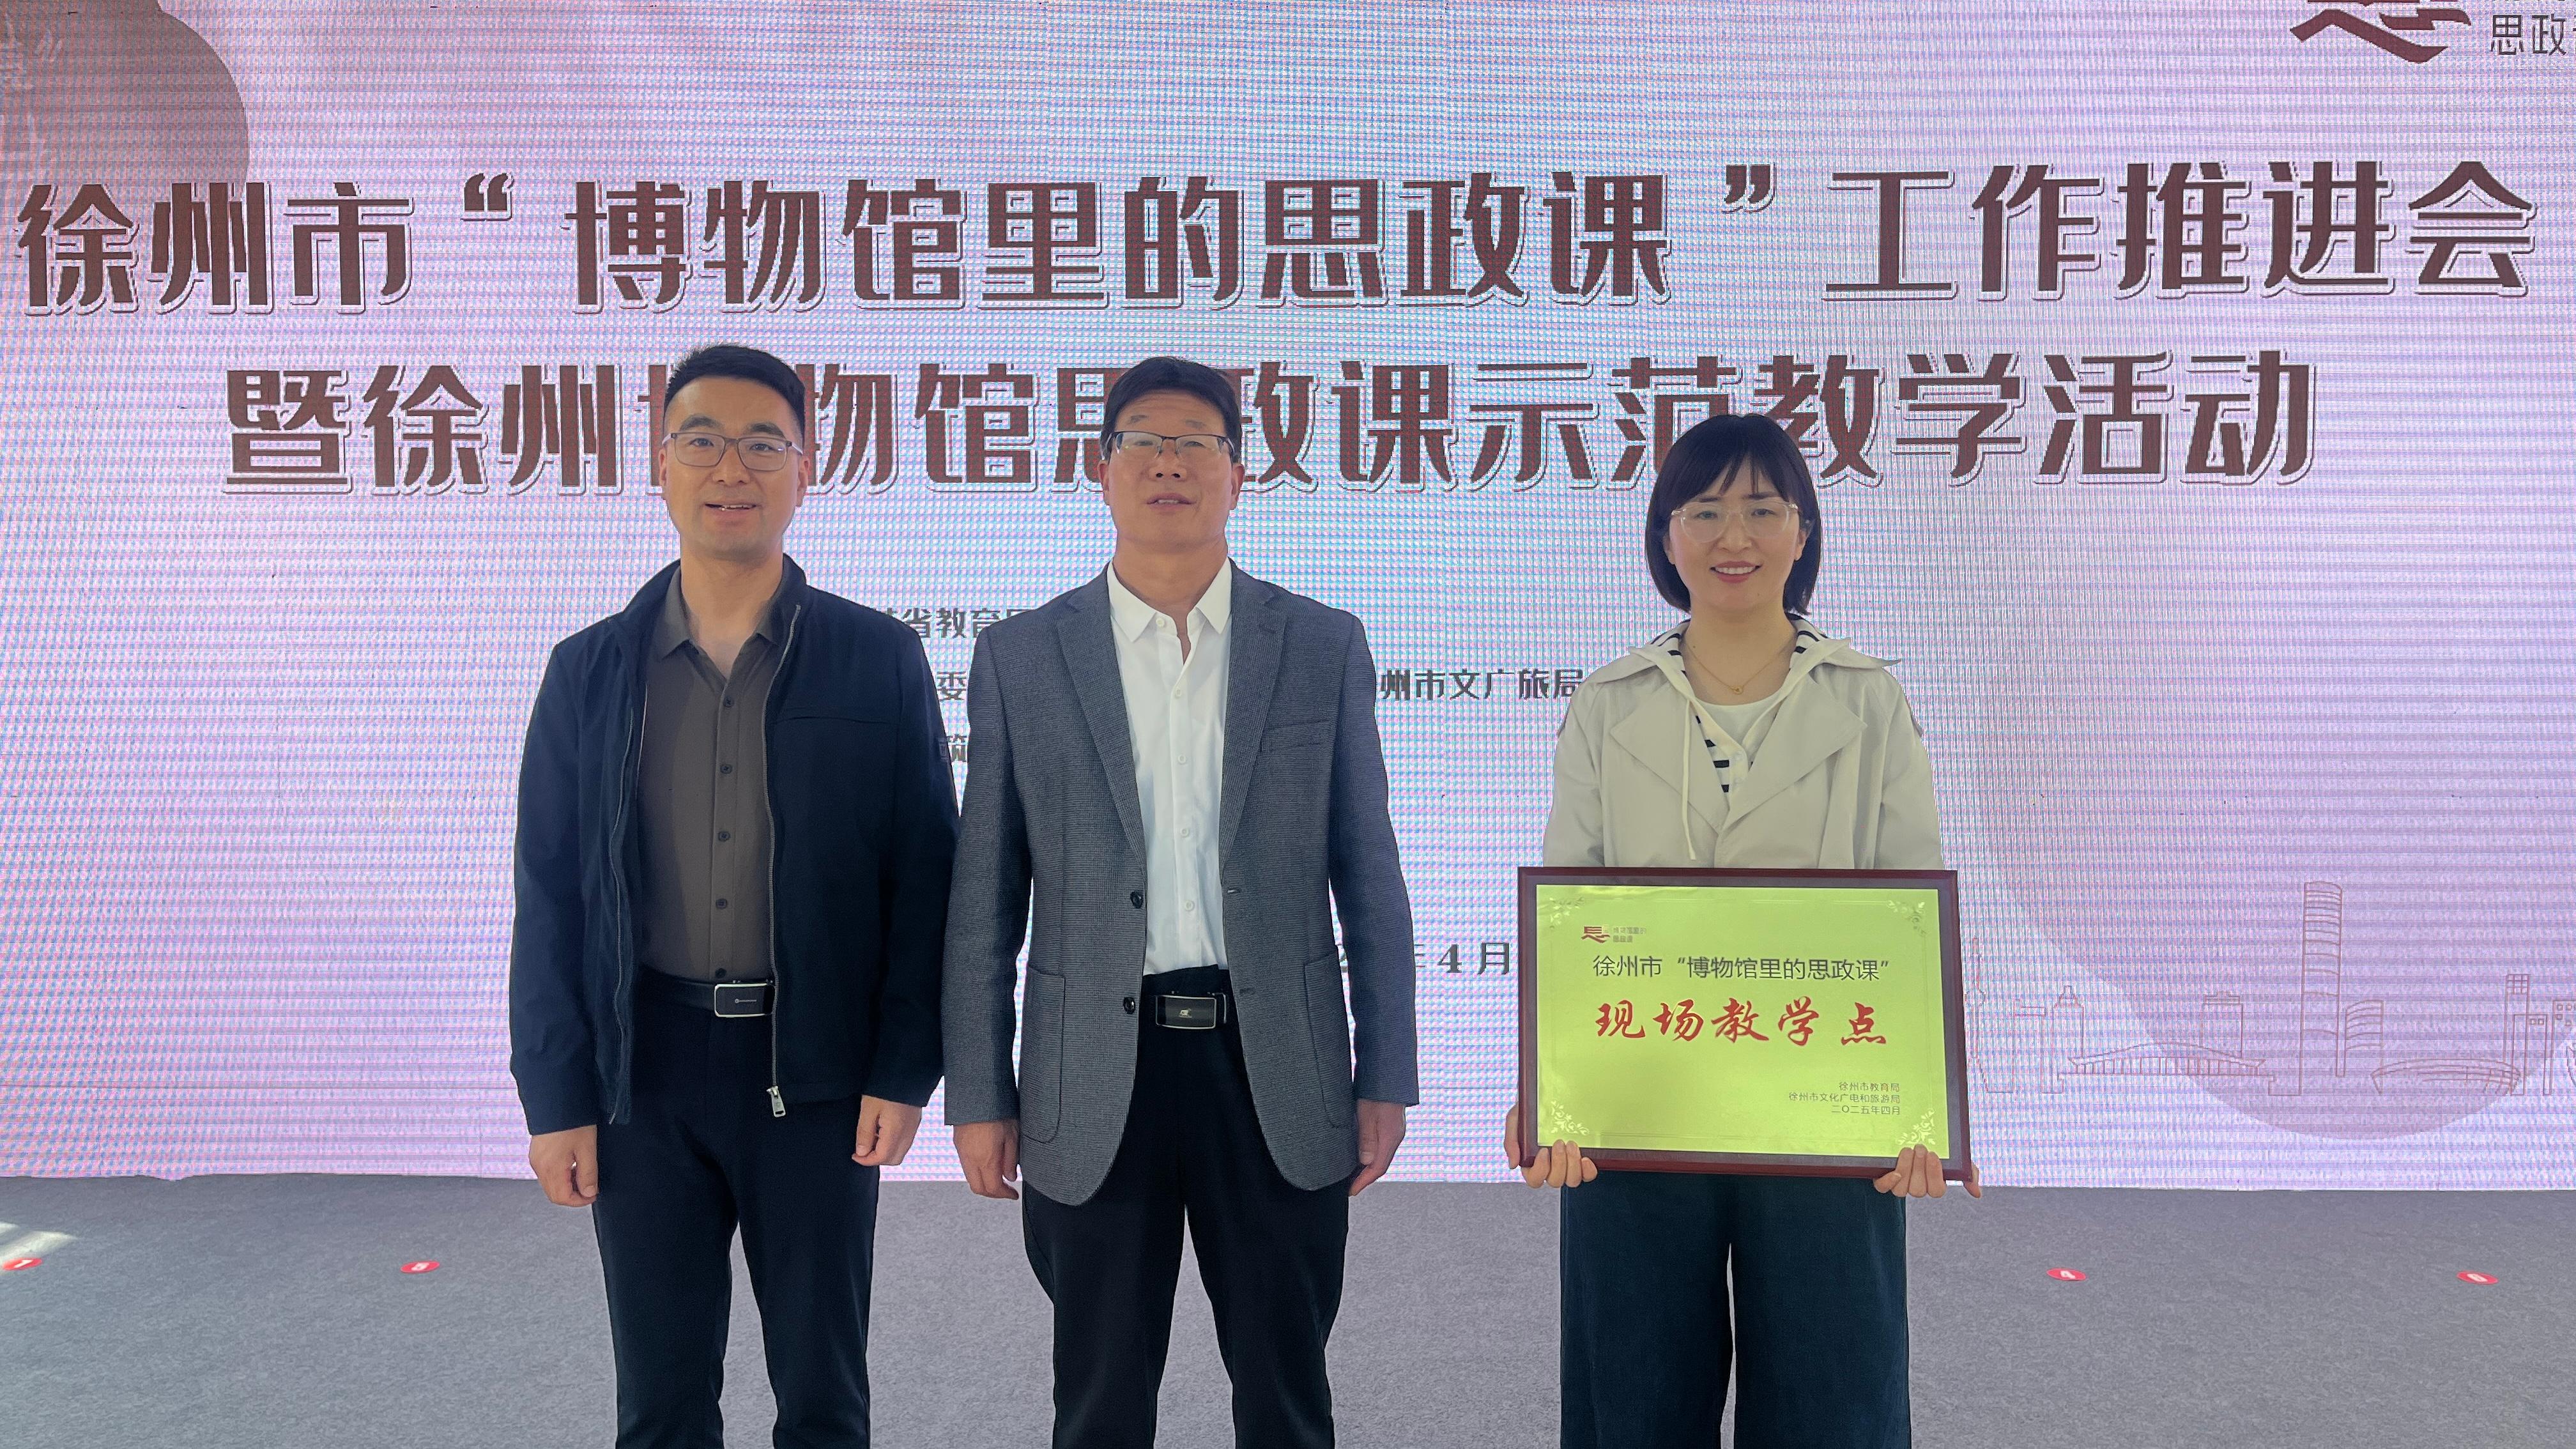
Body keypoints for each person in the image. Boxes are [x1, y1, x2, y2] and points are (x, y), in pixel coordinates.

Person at [942, 355, 1417, 1449]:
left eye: (1197, 443)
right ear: (1103, 469)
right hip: (1093, 1070)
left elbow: (1371, 875)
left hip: (1276, 1063)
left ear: (1238, 476)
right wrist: (980, 1089)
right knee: (1100, 1399)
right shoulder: (1022, 656)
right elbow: (984, 900)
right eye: (1144, 441)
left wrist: (1386, 1071)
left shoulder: (1322, 645)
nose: (1169, 463)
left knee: (1287, 1392)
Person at [508, 344, 956, 1448]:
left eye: (764, 443)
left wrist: (905, 1070)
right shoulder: (588, 672)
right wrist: (556, 1095)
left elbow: (925, 882)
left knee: (823, 1396)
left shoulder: (877, 659)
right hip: (644, 1074)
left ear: (807, 467)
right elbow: (550, 898)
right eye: (701, 440)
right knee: (660, 1403)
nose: (731, 469)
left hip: (815, 1070)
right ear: (660, 465)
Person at [1506, 412, 1976, 1449]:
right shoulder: (1608, 703)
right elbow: (1572, 910)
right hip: (1639, 1098)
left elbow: (1911, 913)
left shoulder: (1868, 700)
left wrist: (1924, 1111)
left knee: (1833, 1399)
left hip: (1823, 1103)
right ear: (1665, 537)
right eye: (1706, 510)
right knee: (1632, 1395)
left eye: (1764, 510)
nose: (1736, 536)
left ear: (1802, 533)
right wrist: (1553, 1094)